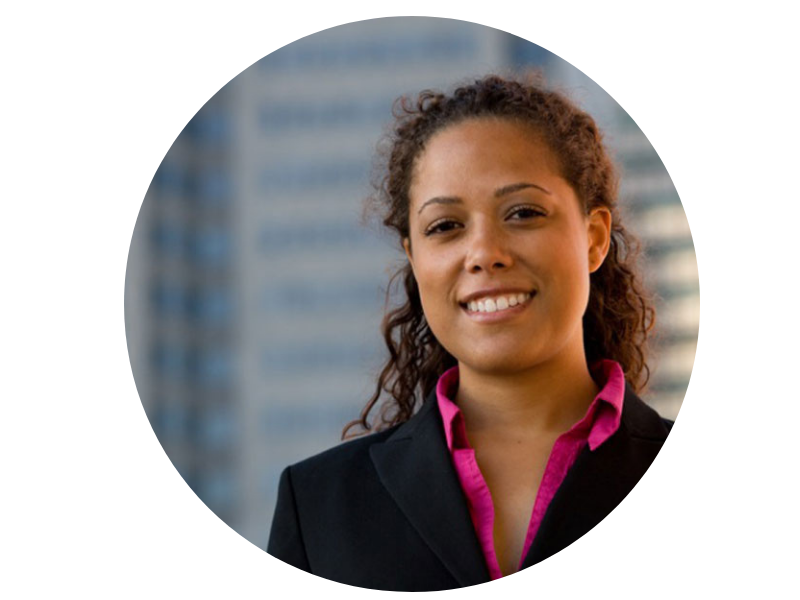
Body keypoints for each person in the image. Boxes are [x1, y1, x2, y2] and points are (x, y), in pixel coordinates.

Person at [267, 74, 673, 591]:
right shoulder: (318, 506)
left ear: (593, 239)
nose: (484, 253)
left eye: (523, 213)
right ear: (414, 260)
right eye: (445, 227)